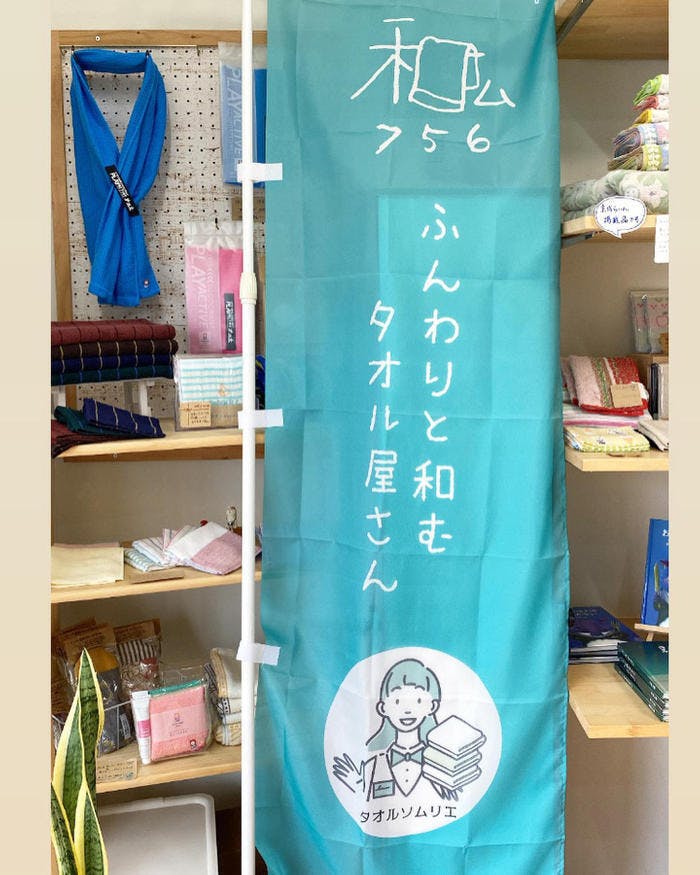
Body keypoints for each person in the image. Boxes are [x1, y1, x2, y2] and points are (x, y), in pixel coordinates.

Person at [332, 657, 457, 801]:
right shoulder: (374, 764)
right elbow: (363, 803)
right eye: (397, 702)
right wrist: (358, 786)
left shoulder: (439, 765)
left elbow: (453, 801)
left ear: (432, 707)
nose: (407, 710)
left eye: (418, 701)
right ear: (382, 708)